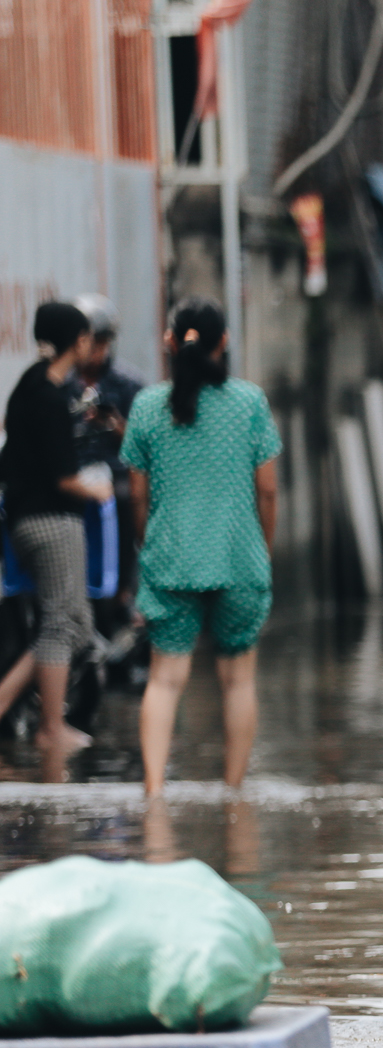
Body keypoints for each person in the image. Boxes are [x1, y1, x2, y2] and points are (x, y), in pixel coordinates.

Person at [122, 299, 281, 797]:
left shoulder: (147, 407)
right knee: (238, 681)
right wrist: (263, 548)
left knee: (165, 680)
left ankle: (153, 796)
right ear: (224, 342)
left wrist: (152, 544)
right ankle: (234, 796)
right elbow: (269, 490)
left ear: (170, 342)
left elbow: (139, 497)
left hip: (172, 558)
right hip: (238, 557)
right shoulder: (249, 402)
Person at [0, 302, 115, 754]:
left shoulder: (30, 383)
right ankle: (51, 727)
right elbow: (65, 478)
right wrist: (99, 492)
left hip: (26, 519)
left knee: (76, 624)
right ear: (78, 341)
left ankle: (9, 699)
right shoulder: (50, 398)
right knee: (59, 625)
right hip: (53, 522)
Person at [64, 294, 147, 601]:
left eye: (100, 344)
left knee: (127, 498)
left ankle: (124, 587)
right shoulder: (63, 383)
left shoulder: (128, 383)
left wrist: (114, 426)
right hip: (73, 471)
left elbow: (143, 443)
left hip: (114, 470)